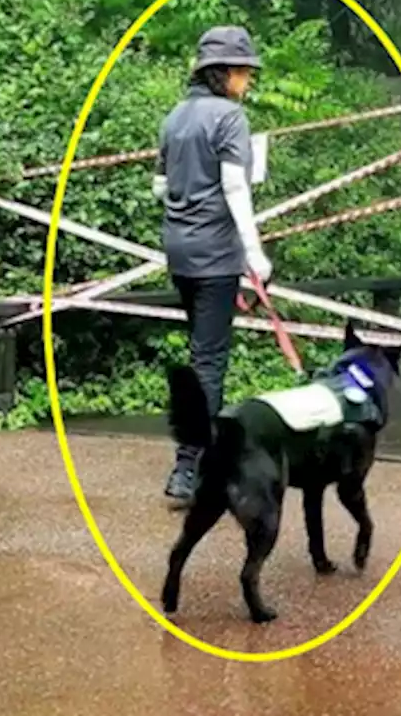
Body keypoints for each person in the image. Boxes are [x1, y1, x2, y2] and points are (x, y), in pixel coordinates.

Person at [152, 25, 274, 508]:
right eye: (243, 72)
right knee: (210, 360)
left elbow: (159, 188)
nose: (247, 81)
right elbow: (236, 190)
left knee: (201, 351)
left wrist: (190, 187)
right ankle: (189, 469)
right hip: (215, 255)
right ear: (222, 73)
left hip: (178, 251)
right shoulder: (230, 118)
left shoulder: (174, 118)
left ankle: (201, 457)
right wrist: (255, 254)